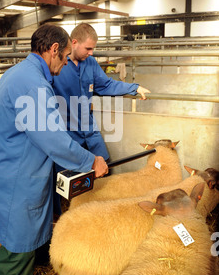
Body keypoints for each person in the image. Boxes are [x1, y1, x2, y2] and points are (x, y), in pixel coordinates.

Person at [0, 23, 108, 275]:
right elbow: (51, 138)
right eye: (65, 57)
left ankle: (35, 261)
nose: (65, 64)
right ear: (53, 51)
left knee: (26, 241)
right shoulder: (34, 84)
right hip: (16, 182)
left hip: (13, 171)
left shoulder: (22, 73)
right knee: (15, 253)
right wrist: (90, 161)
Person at [52, 23, 150, 212]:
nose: (91, 52)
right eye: (88, 48)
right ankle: (64, 215)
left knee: (104, 163)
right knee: (65, 175)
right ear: (74, 43)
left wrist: (134, 87)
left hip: (89, 127)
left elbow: (105, 85)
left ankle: (100, 209)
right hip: (67, 131)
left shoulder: (90, 63)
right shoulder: (57, 66)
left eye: (93, 49)